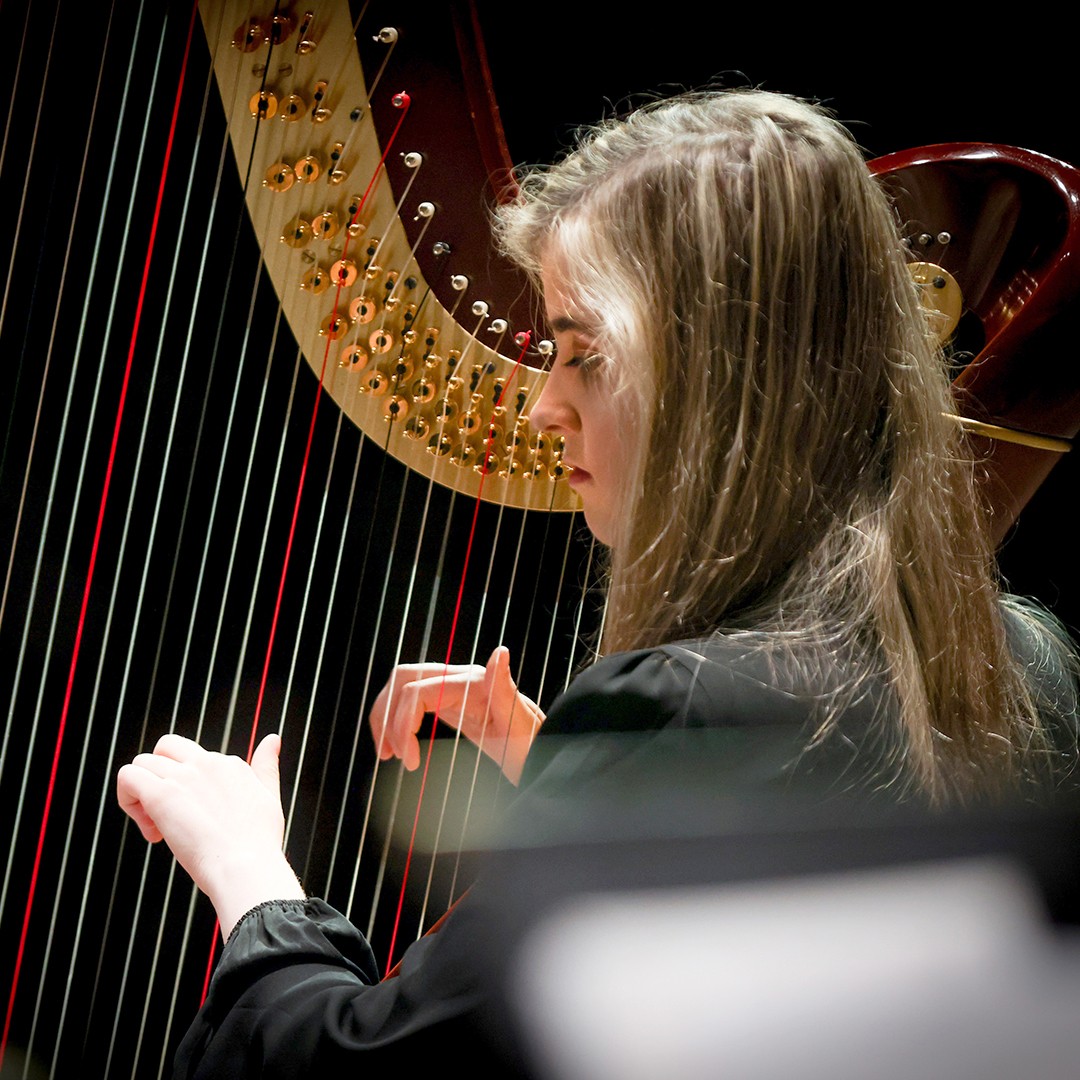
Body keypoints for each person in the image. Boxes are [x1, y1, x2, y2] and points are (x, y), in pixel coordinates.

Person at [116, 90, 1078, 1077]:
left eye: (585, 356)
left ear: (718, 384)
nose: (542, 408)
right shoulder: (1027, 662)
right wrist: (595, 788)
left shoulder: (680, 705)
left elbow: (358, 1064)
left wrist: (250, 873)